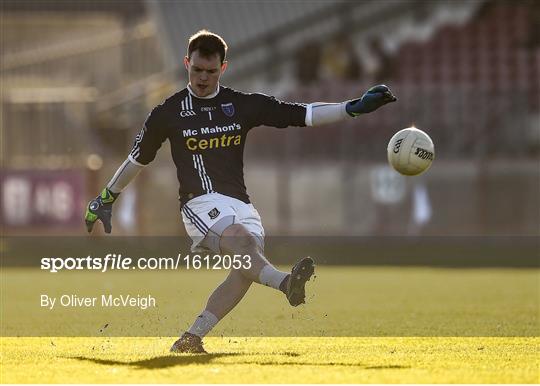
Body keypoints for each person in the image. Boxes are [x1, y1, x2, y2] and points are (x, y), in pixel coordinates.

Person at [84, 30, 397, 354]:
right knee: (244, 246)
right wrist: (107, 197)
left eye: (210, 71)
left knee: (246, 268)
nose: (202, 78)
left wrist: (353, 107)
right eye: (196, 70)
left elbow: (301, 114)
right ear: (186, 64)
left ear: (223, 67)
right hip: (198, 203)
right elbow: (137, 158)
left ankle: (191, 338)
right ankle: (285, 283)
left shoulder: (241, 104)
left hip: (241, 204)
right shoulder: (168, 112)